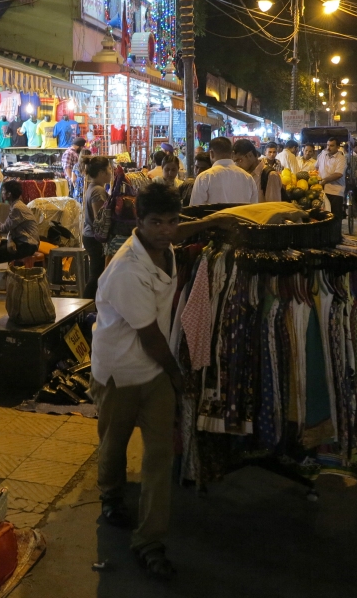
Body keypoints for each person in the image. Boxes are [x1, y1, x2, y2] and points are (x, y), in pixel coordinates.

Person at [91, 182, 237, 580]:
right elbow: (150, 337)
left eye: (172, 222)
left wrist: (214, 221)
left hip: (155, 373)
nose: (166, 230)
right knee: (113, 445)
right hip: (120, 373)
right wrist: (179, 377)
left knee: (159, 456)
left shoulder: (166, 245)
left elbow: (183, 232)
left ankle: (150, 540)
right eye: (157, 222)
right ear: (139, 222)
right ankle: (111, 495)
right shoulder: (126, 270)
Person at [190, 137, 259, 206]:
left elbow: (195, 209)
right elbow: (253, 209)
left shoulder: (204, 177)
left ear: (211, 153)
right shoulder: (248, 178)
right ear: (232, 154)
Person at [82, 157, 112, 299]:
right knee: (96, 274)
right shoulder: (98, 191)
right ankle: (85, 306)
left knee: (97, 272)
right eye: (109, 169)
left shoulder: (93, 188)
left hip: (90, 236)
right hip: (94, 238)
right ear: (101, 172)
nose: (111, 172)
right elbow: (99, 219)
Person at [0, 180, 40, 263]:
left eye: (3, 190)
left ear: (9, 194)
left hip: (28, 244)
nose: (2, 193)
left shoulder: (17, 208)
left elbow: (5, 228)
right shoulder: (16, 205)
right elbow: (11, 228)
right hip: (23, 241)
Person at [315, 137, 347, 221]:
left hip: (335, 191)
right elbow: (316, 167)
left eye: (331, 146)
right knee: (323, 216)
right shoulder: (322, 155)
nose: (328, 148)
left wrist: (324, 180)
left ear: (337, 147)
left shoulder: (341, 158)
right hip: (322, 191)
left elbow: (338, 174)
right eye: (328, 145)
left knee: (335, 216)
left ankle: (335, 234)